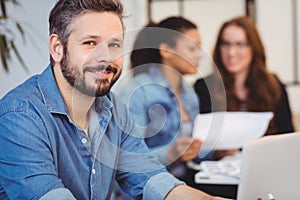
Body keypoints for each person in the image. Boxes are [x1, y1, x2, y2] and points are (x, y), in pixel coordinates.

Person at [0, 0, 230, 200]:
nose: (106, 57)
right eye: (90, 43)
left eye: (114, 45)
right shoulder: (19, 116)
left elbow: (151, 178)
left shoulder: (113, 109)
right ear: (57, 48)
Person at [114, 16, 212, 189]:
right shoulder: (139, 91)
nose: (200, 55)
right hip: (145, 190)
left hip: (183, 185)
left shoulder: (189, 93)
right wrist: (170, 153)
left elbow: (194, 154)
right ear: (166, 50)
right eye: (192, 48)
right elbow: (126, 157)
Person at [194, 16, 295, 160]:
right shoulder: (204, 87)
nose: (231, 53)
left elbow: (288, 137)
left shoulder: (274, 85)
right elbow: (198, 143)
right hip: (217, 173)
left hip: (266, 166)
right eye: (225, 44)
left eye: (240, 44)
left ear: (253, 47)